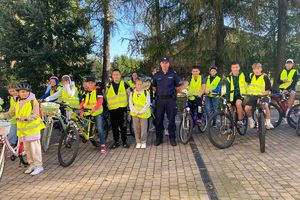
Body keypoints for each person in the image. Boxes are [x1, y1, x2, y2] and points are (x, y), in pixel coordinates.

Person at [0, 83, 46, 176]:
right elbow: (11, 113)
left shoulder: (33, 101)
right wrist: (2, 116)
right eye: (22, 92)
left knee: (35, 149)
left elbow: (36, 115)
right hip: (23, 130)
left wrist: (25, 118)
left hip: (33, 129)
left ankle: (39, 166)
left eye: (26, 92)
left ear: (29, 92)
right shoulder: (18, 101)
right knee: (27, 149)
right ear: (19, 93)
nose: (24, 93)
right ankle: (32, 164)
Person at [152, 57, 181, 146]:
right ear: (160, 64)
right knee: (159, 120)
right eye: (163, 63)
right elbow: (153, 86)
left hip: (170, 100)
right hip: (160, 100)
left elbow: (178, 87)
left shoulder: (173, 74)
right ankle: (159, 138)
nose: (164, 64)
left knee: (171, 120)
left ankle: (172, 138)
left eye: (166, 63)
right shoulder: (157, 75)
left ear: (168, 64)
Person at [80, 76, 107, 153]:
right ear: (87, 84)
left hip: (97, 112)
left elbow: (100, 100)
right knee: (84, 126)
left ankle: (103, 145)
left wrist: (95, 108)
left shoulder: (98, 90)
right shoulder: (85, 92)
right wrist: (81, 111)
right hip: (88, 112)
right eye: (89, 83)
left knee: (99, 128)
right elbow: (82, 102)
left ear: (94, 83)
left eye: (92, 83)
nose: (90, 84)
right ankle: (87, 137)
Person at [105, 69, 130, 149]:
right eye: (114, 74)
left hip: (123, 108)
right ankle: (116, 142)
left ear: (120, 75)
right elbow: (105, 95)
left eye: (117, 74)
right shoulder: (108, 85)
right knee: (114, 126)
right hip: (112, 109)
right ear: (112, 76)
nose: (116, 76)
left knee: (123, 125)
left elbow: (129, 95)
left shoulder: (125, 84)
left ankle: (124, 141)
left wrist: (129, 106)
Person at [245, 63, 274, 129]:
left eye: (258, 68)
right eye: (254, 69)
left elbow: (268, 90)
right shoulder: (251, 76)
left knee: (265, 105)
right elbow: (243, 77)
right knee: (246, 108)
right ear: (253, 70)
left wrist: (261, 96)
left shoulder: (265, 76)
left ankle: (268, 123)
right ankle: (252, 122)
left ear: (261, 69)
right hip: (253, 96)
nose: (256, 70)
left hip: (263, 96)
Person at [129, 79, 151, 149]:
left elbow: (148, 103)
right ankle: (138, 142)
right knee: (136, 128)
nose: (139, 86)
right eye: (137, 84)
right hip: (135, 113)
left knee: (143, 128)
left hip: (143, 113)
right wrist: (135, 110)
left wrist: (141, 111)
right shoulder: (132, 93)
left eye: (140, 84)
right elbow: (130, 103)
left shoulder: (146, 92)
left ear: (142, 85)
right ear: (135, 85)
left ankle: (143, 142)